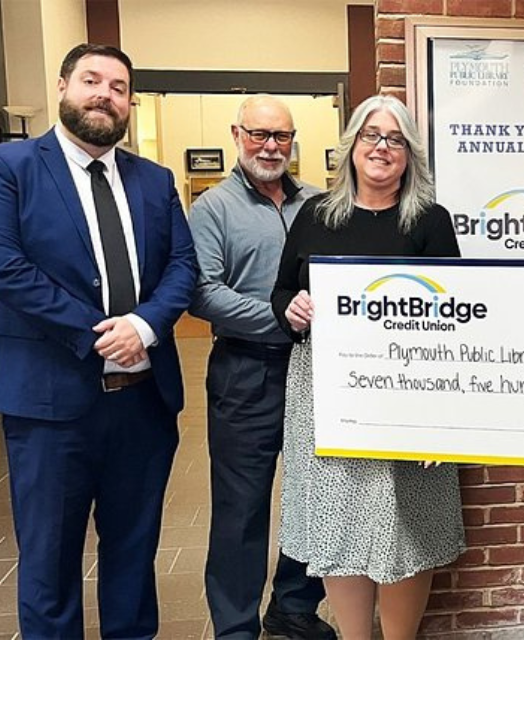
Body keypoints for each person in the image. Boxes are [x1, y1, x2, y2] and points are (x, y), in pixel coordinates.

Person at [0, 43, 196, 639]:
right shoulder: (5, 167)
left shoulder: (155, 181)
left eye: (118, 88)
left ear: (130, 104)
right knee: (49, 564)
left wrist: (143, 326)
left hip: (142, 402)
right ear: (63, 86)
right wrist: (97, 335)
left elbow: (183, 267)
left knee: (133, 553)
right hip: (49, 410)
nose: (104, 95)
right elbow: (1, 265)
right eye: (92, 81)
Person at [271, 95, 465, 640]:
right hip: (328, 394)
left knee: (408, 525)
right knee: (341, 522)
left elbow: (454, 317)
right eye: (371, 136)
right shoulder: (315, 215)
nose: (382, 148)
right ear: (351, 146)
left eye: (396, 139)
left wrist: (439, 417)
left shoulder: (430, 221)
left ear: (410, 156)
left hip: (409, 395)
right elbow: (283, 290)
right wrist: (291, 308)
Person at [188, 96, 335, 640]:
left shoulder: (320, 205)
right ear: (237, 134)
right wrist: (283, 317)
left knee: (312, 494)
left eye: (281, 137)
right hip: (245, 372)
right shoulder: (212, 209)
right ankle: (235, 628)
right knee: (241, 507)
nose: (271, 147)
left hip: (314, 372)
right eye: (259, 135)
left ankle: (294, 604)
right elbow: (202, 294)